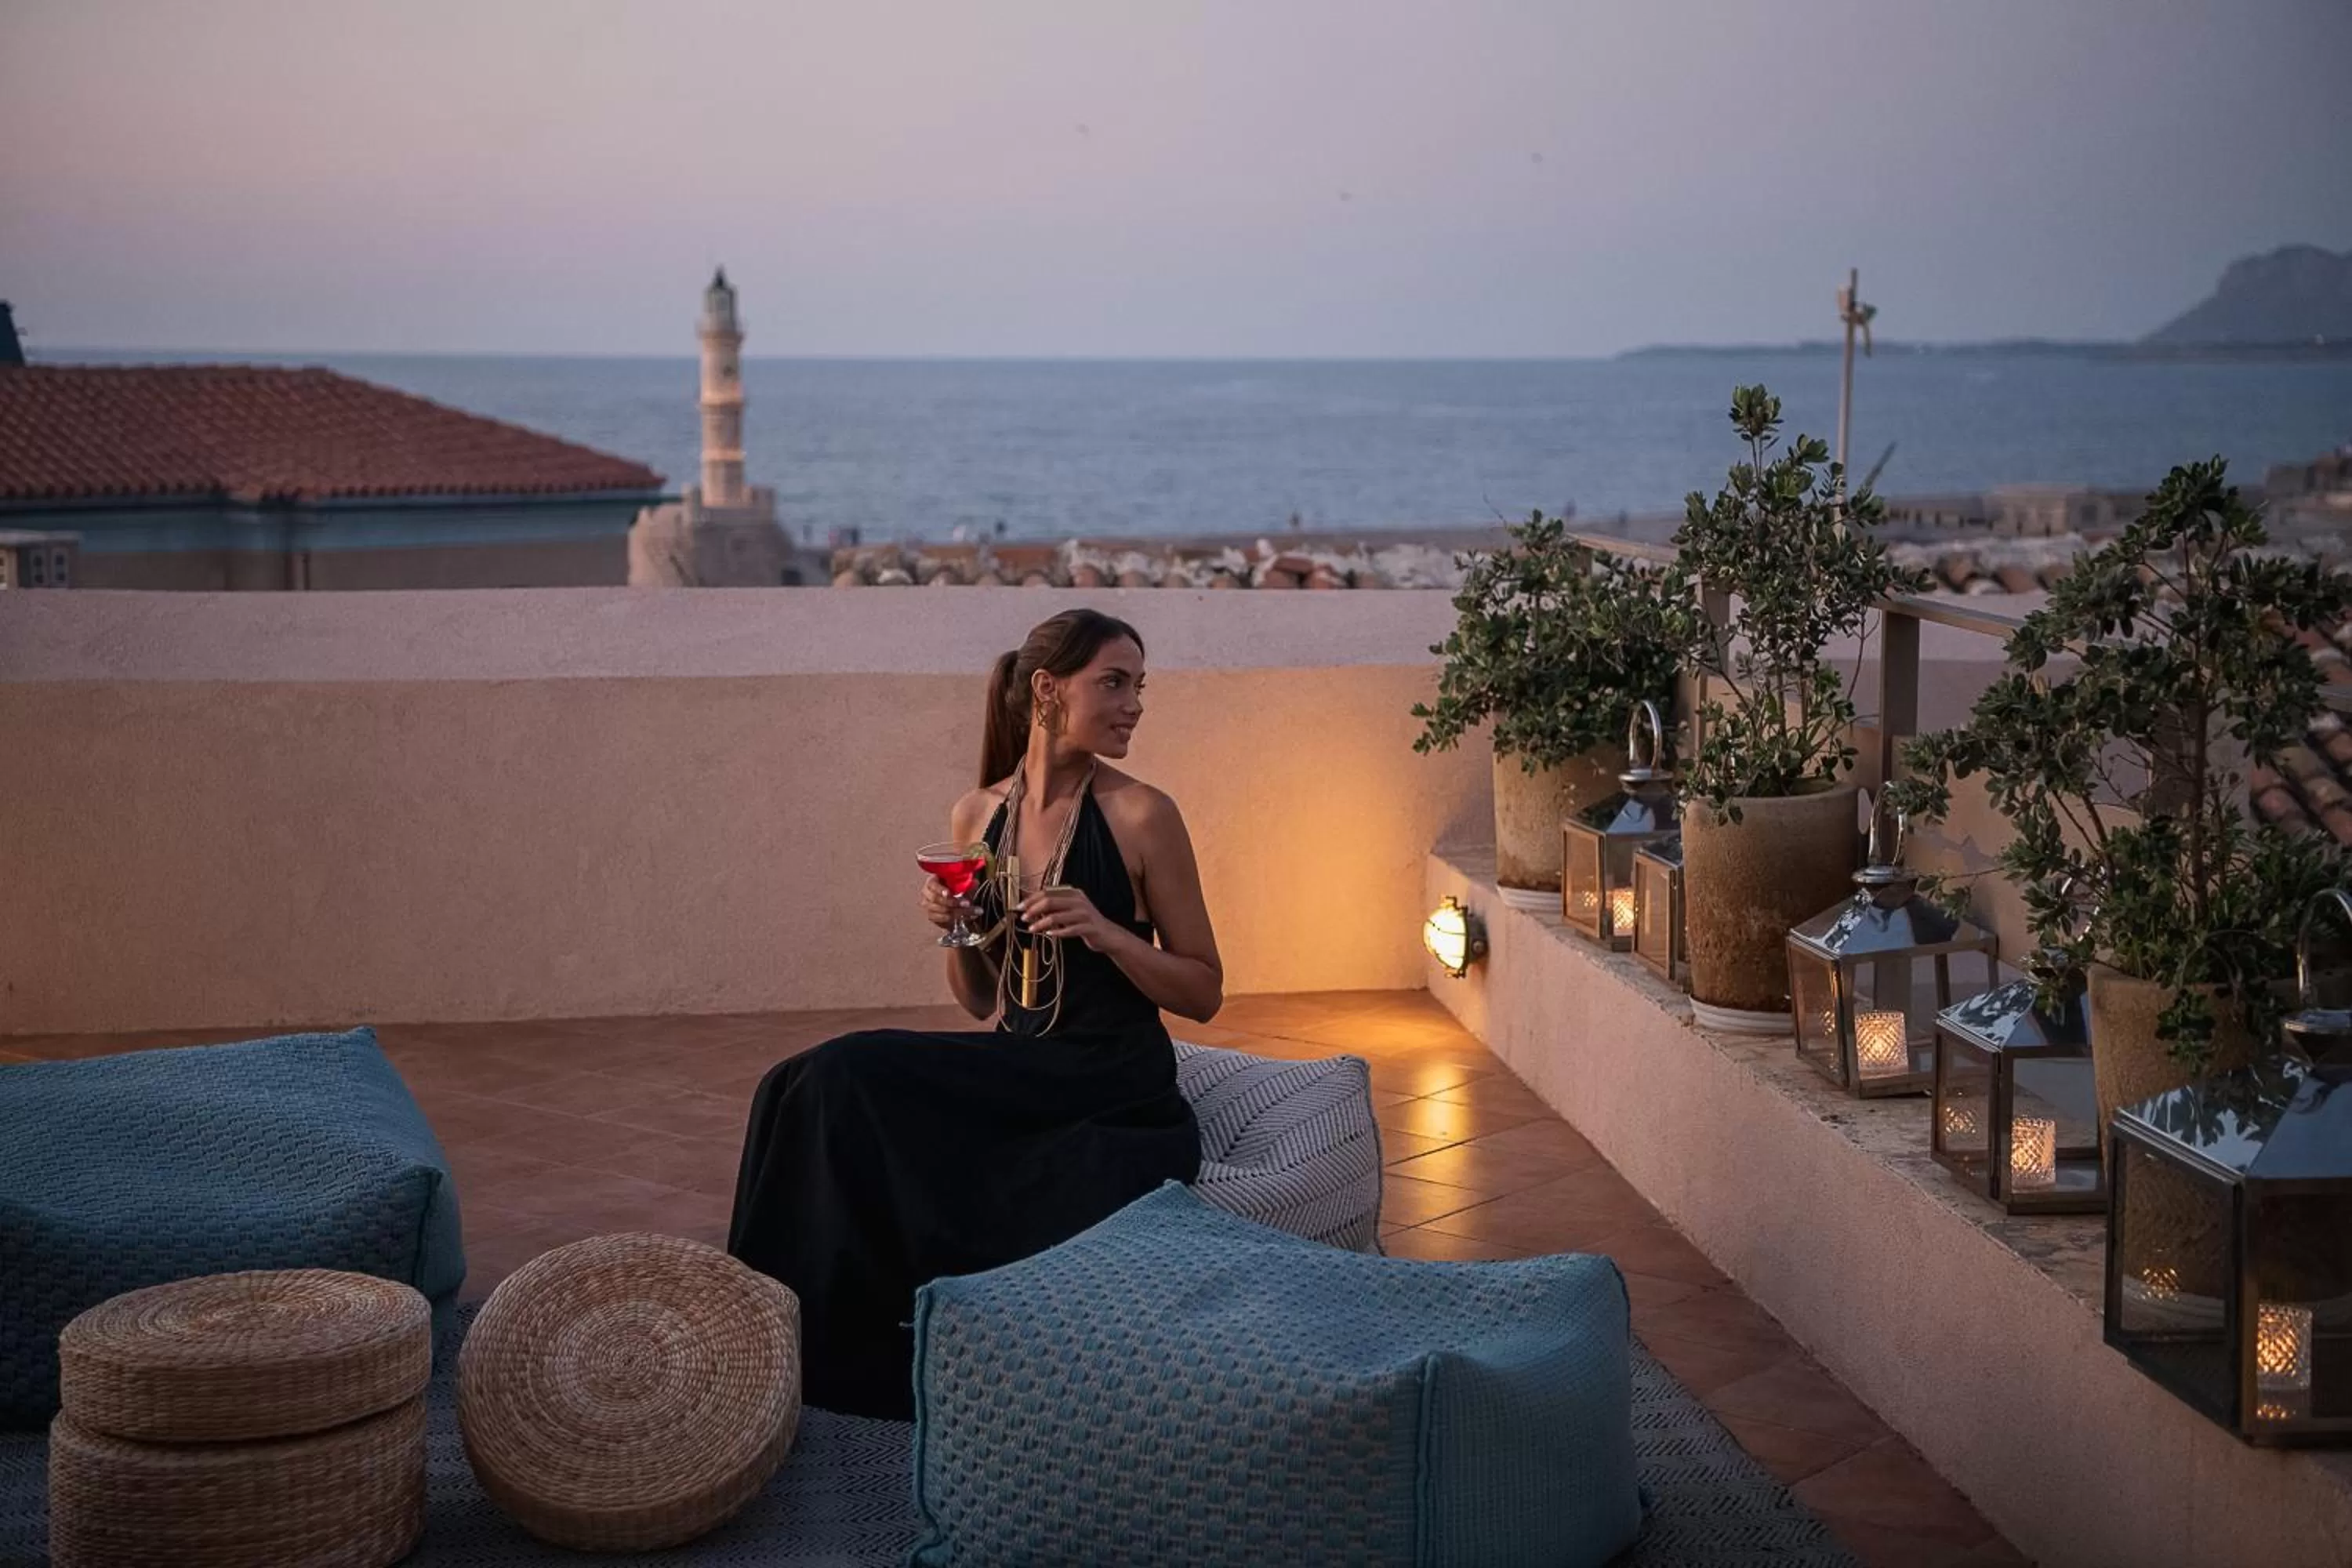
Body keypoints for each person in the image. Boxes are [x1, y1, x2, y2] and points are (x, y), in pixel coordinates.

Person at [728, 608, 1222, 1418]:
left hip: (1112, 1083)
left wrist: (1106, 932)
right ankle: (773, 1341)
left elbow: (1203, 990)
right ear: (1047, 689)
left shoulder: (1143, 815)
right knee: (806, 1084)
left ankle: (820, 1358)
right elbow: (980, 998)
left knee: (847, 1076)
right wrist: (955, 925)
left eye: (1139, 686)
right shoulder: (977, 815)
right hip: (1019, 1066)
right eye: (1114, 683)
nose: (1134, 704)